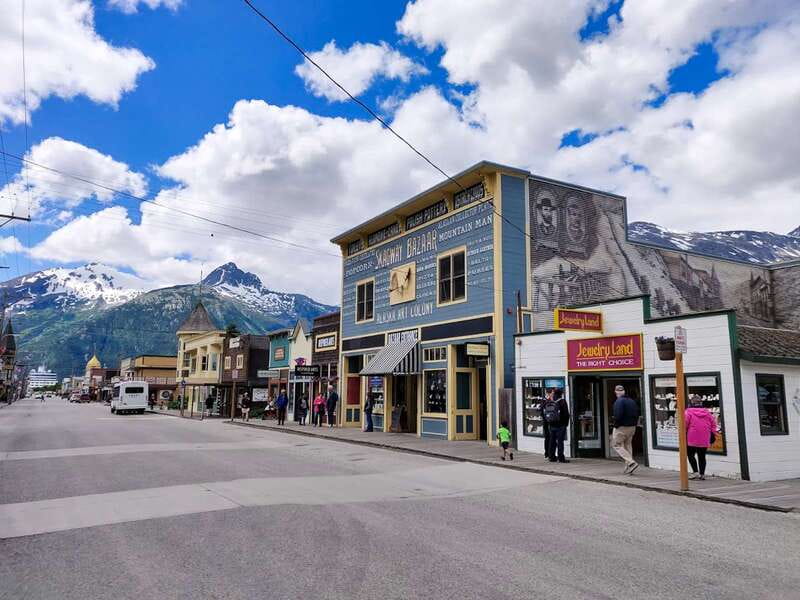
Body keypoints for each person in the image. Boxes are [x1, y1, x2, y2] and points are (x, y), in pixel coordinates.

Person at [685, 395, 717, 480]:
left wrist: (683, 434)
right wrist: (713, 433)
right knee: (702, 456)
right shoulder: (707, 412)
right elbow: (713, 424)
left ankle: (695, 472)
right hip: (704, 437)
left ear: (692, 402)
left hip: (692, 437)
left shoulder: (688, 412)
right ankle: (702, 474)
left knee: (690, 454)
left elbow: (685, 424)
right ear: (701, 402)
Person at [612, 384, 640, 474]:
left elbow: (618, 415)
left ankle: (631, 462)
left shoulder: (619, 401)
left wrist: (616, 425)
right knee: (628, 445)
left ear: (616, 392)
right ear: (624, 391)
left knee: (616, 445)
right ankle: (628, 467)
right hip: (632, 427)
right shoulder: (632, 401)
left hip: (622, 427)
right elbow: (637, 413)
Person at [544, 389, 570, 463]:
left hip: (552, 425)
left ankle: (551, 457)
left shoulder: (551, 401)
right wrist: (566, 423)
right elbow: (566, 414)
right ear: (561, 394)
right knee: (560, 442)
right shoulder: (562, 401)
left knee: (552, 441)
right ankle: (561, 458)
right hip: (561, 425)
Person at [542, 389, 553, 459]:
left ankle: (548, 453)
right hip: (547, 421)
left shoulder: (545, 400)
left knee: (548, 437)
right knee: (548, 437)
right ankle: (548, 453)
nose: (553, 394)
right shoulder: (546, 400)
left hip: (547, 421)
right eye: (552, 393)